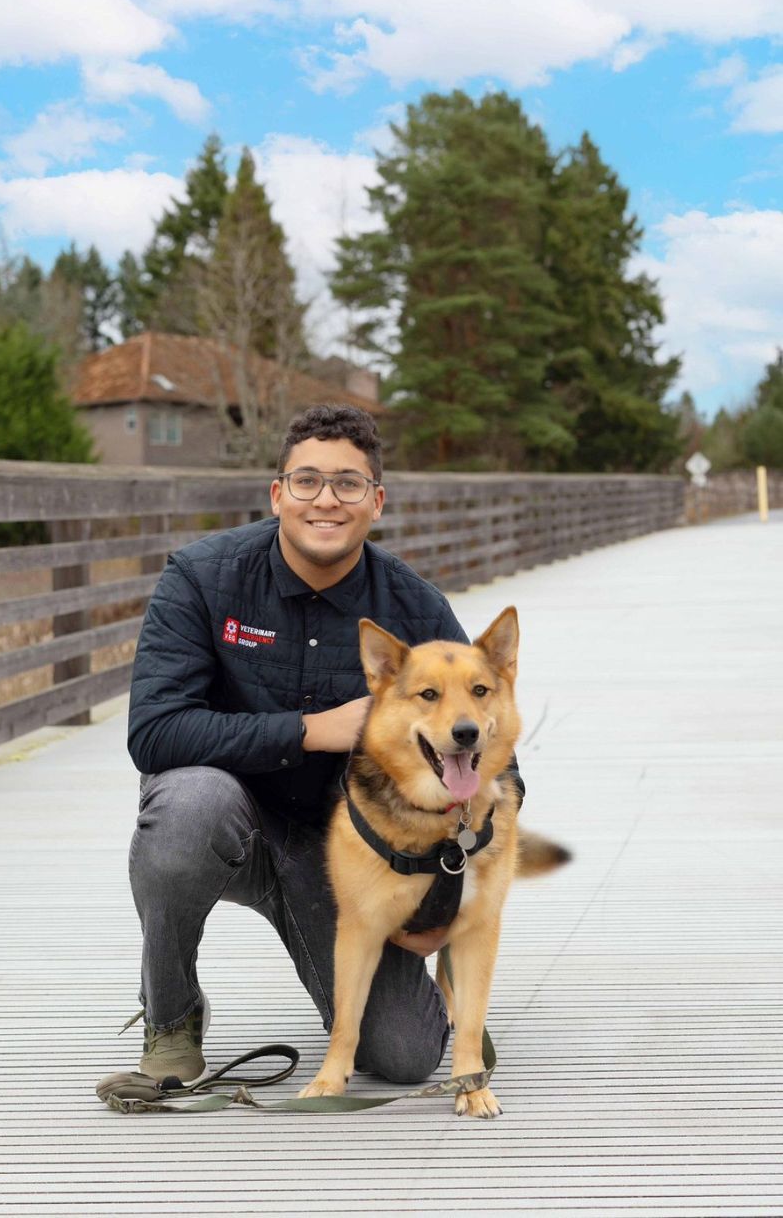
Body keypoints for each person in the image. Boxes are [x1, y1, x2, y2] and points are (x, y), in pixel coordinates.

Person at [125, 404, 524, 1086]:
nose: (326, 500)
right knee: (186, 806)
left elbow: (498, 769)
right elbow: (154, 730)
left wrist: (445, 908)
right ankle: (171, 1016)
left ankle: (443, 997)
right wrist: (312, 730)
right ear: (278, 493)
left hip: (352, 859)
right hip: (231, 823)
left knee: (403, 1056)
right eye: (307, 481)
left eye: (348, 484)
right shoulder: (201, 578)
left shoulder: (416, 609)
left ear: (377, 502)